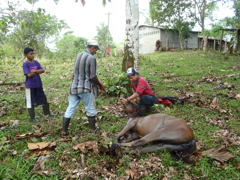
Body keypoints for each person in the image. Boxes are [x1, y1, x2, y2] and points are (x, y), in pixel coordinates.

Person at [62, 41, 105, 135]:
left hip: (74, 87)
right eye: (96, 49)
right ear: (92, 48)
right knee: (90, 108)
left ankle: (64, 130)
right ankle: (93, 129)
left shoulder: (79, 55)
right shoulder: (91, 58)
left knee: (70, 107)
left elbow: (74, 73)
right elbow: (92, 76)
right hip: (85, 88)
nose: (96, 52)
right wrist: (100, 85)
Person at [22, 47, 52, 122]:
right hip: (30, 86)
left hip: (38, 84)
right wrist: (37, 71)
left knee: (43, 99)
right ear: (26, 55)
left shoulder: (36, 62)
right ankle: (32, 118)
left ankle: (47, 113)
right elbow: (28, 75)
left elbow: (43, 70)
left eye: (33, 53)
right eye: (31, 54)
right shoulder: (25, 64)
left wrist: (35, 71)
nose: (33, 55)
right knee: (30, 101)